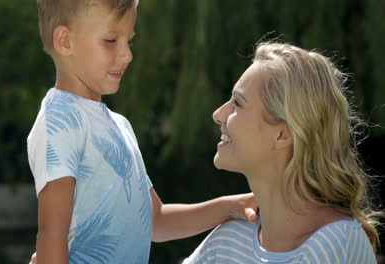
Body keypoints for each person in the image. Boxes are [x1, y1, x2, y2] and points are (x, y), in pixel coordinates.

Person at [27, 0, 257, 263]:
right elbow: (51, 233)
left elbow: (155, 221)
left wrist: (230, 206)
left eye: (129, 41)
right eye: (111, 40)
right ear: (65, 41)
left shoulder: (120, 126)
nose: (127, 55)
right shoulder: (60, 120)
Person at [183, 42, 381, 264]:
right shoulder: (227, 241)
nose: (218, 114)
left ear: (283, 134)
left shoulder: (338, 245)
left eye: (238, 103)